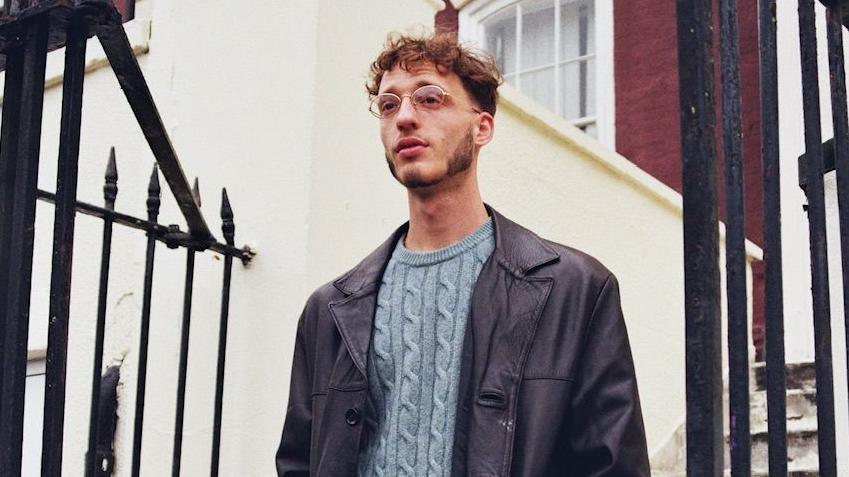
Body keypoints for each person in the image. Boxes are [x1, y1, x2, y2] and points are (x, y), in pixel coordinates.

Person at [276, 32, 649, 476]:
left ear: (482, 127)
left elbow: (611, 467)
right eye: (389, 105)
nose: (406, 118)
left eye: (430, 99)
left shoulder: (576, 290)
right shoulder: (330, 310)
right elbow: (299, 463)